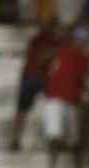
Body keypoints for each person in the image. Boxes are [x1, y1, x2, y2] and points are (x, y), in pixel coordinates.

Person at [43, 27, 89, 168]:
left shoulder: (84, 58)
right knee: (54, 136)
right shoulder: (60, 51)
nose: (80, 42)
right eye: (78, 39)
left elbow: (85, 80)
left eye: (82, 40)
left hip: (71, 100)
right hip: (55, 99)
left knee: (75, 140)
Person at [10, 17, 62, 152]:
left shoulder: (51, 40)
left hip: (38, 78)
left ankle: (54, 141)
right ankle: (16, 139)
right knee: (25, 110)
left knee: (51, 109)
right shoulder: (41, 40)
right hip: (34, 78)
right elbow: (40, 58)